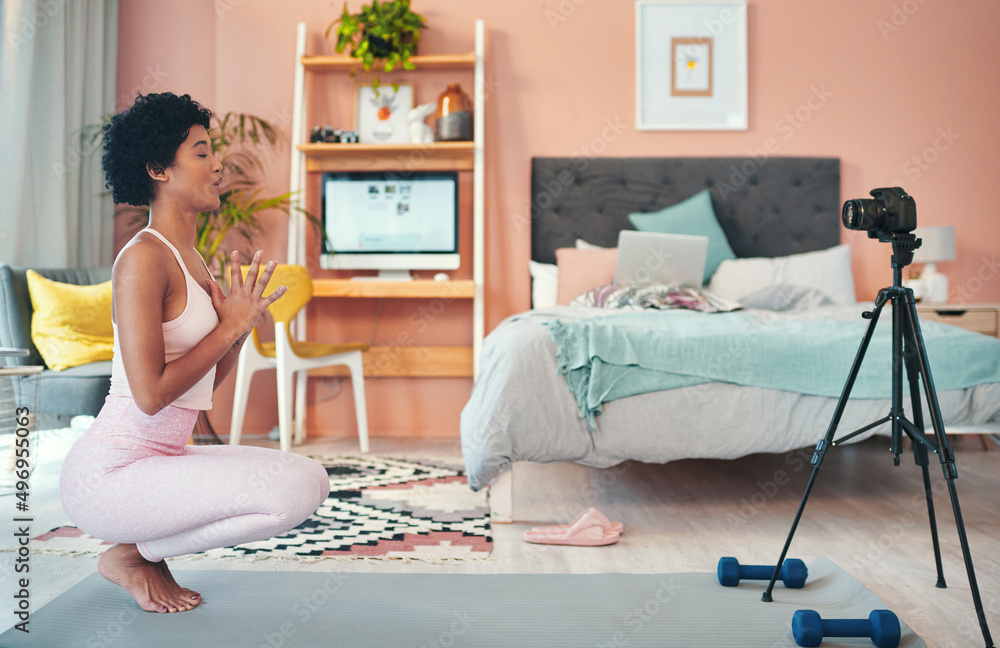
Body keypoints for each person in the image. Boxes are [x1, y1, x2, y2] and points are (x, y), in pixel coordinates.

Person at [59, 92, 330, 613]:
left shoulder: (194, 260)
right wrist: (225, 328)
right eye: (202, 152)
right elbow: (150, 394)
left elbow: (202, 383)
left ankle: (138, 553)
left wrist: (241, 326)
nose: (218, 164)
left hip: (160, 458)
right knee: (288, 493)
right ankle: (133, 556)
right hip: (109, 475)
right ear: (159, 168)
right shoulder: (142, 259)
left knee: (312, 479)